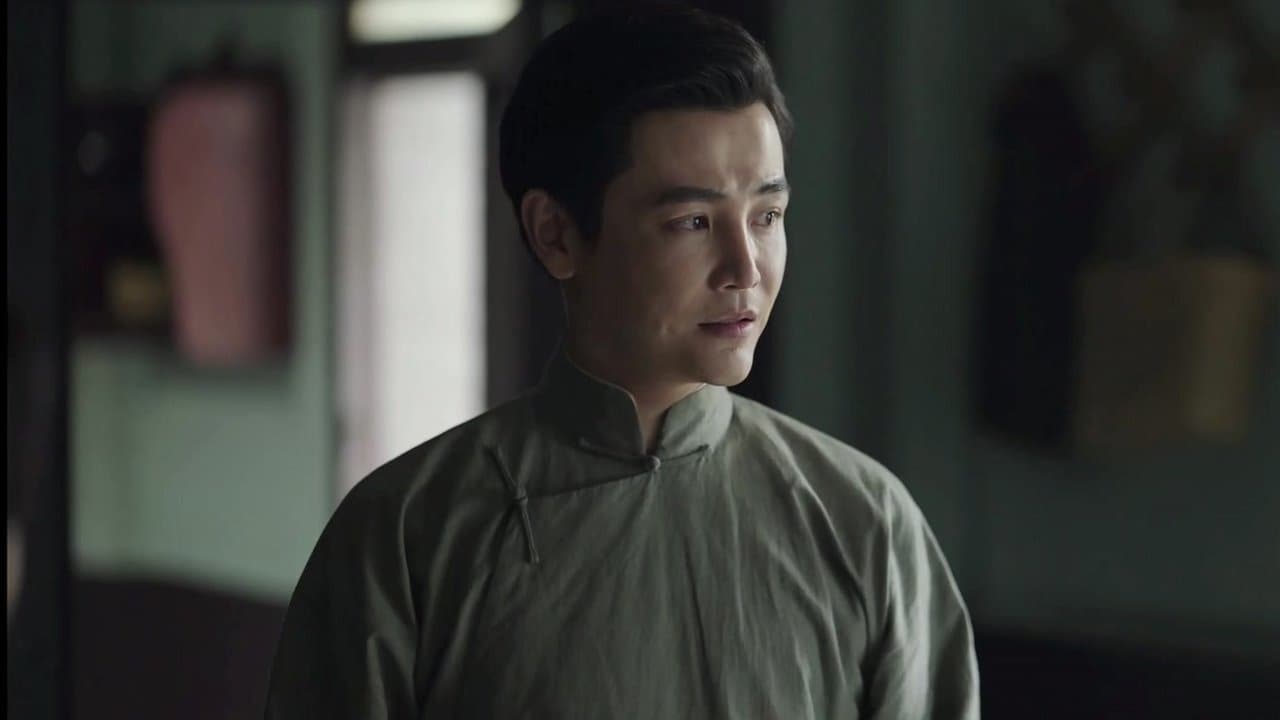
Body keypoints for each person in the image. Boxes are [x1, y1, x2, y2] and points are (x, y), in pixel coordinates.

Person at [266, 6, 978, 718]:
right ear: (556, 234)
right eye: (692, 222)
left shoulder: (865, 522)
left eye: (767, 216)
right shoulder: (406, 535)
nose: (745, 269)